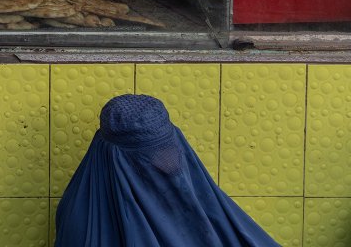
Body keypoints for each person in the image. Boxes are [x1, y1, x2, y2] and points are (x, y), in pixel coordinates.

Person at [55, 94, 280, 247]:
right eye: (151, 156)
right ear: (116, 160)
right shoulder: (83, 226)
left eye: (171, 148)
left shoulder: (202, 200)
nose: (170, 164)